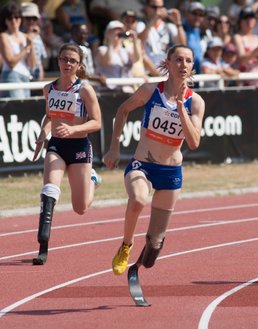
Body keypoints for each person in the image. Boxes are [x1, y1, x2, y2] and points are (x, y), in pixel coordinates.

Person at [102, 45, 205, 275]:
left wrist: (180, 109)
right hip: (143, 165)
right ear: (167, 63)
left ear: (192, 67)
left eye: (188, 61)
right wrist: (114, 147)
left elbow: (194, 142)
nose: (183, 65)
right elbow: (122, 110)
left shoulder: (195, 102)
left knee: (154, 246)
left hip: (170, 172)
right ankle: (126, 245)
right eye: (178, 60)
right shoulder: (150, 90)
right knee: (138, 199)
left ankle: (144, 257)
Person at [31, 43, 102, 265]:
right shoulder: (48, 89)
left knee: (80, 208)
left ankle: (92, 179)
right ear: (58, 60)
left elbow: (97, 122)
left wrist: (73, 129)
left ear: (79, 65)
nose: (67, 64)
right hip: (57, 146)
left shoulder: (84, 90)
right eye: (63, 59)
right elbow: (50, 117)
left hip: (79, 147)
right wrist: (43, 135)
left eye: (72, 60)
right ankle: (43, 245)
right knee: (49, 189)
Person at [0, 2, 36, 99]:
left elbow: (32, 65)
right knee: (17, 110)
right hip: (11, 77)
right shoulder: (4, 36)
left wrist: (31, 46)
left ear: (21, 19)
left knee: (25, 112)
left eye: (17, 17)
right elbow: (10, 62)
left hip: (26, 77)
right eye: (10, 18)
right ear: (5, 21)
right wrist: (26, 48)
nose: (14, 21)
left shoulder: (26, 36)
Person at [94, 20, 141, 93]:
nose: (118, 32)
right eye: (114, 30)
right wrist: (110, 41)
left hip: (126, 90)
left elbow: (136, 59)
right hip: (108, 91)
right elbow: (107, 62)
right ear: (107, 33)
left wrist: (135, 41)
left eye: (120, 30)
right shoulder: (102, 50)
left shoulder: (126, 51)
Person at [21, 2, 47, 82]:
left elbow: (41, 62)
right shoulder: (17, 36)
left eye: (34, 18)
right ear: (22, 19)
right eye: (28, 18)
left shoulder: (38, 36)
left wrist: (40, 80)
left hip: (36, 78)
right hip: (23, 78)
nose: (31, 21)